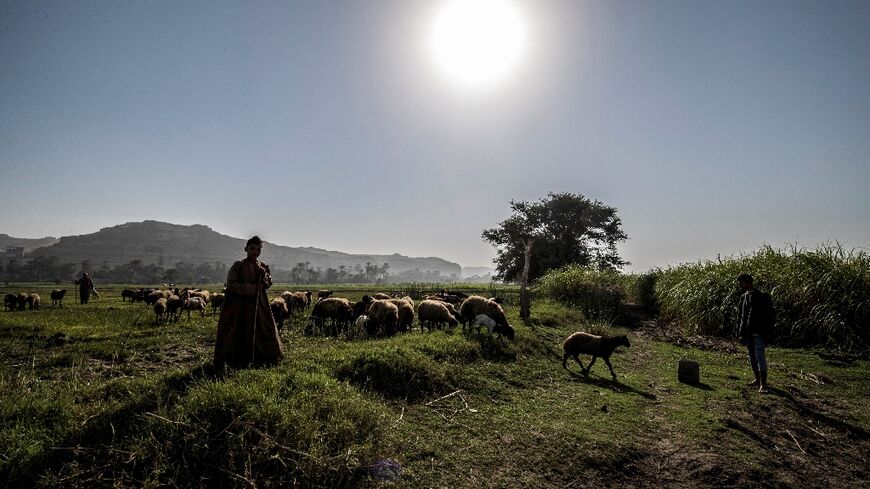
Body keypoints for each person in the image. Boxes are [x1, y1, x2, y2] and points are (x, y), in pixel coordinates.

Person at [214, 236, 284, 368]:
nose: (255, 252)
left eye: (258, 249)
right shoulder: (238, 265)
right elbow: (232, 284)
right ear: (246, 249)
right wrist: (252, 288)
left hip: (260, 305)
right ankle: (239, 359)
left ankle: (262, 357)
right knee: (240, 328)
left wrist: (263, 276)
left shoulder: (263, 266)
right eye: (252, 248)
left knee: (263, 327)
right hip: (241, 306)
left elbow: (268, 284)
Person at [736, 273, 776, 393]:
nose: (740, 285)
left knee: (760, 358)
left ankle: (763, 384)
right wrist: (740, 332)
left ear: (748, 282)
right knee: (752, 358)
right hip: (747, 333)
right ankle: (757, 380)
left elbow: (770, 316)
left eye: (742, 283)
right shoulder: (743, 297)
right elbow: (741, 316)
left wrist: (768, 332)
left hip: (758, 332)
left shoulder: (763, 297)